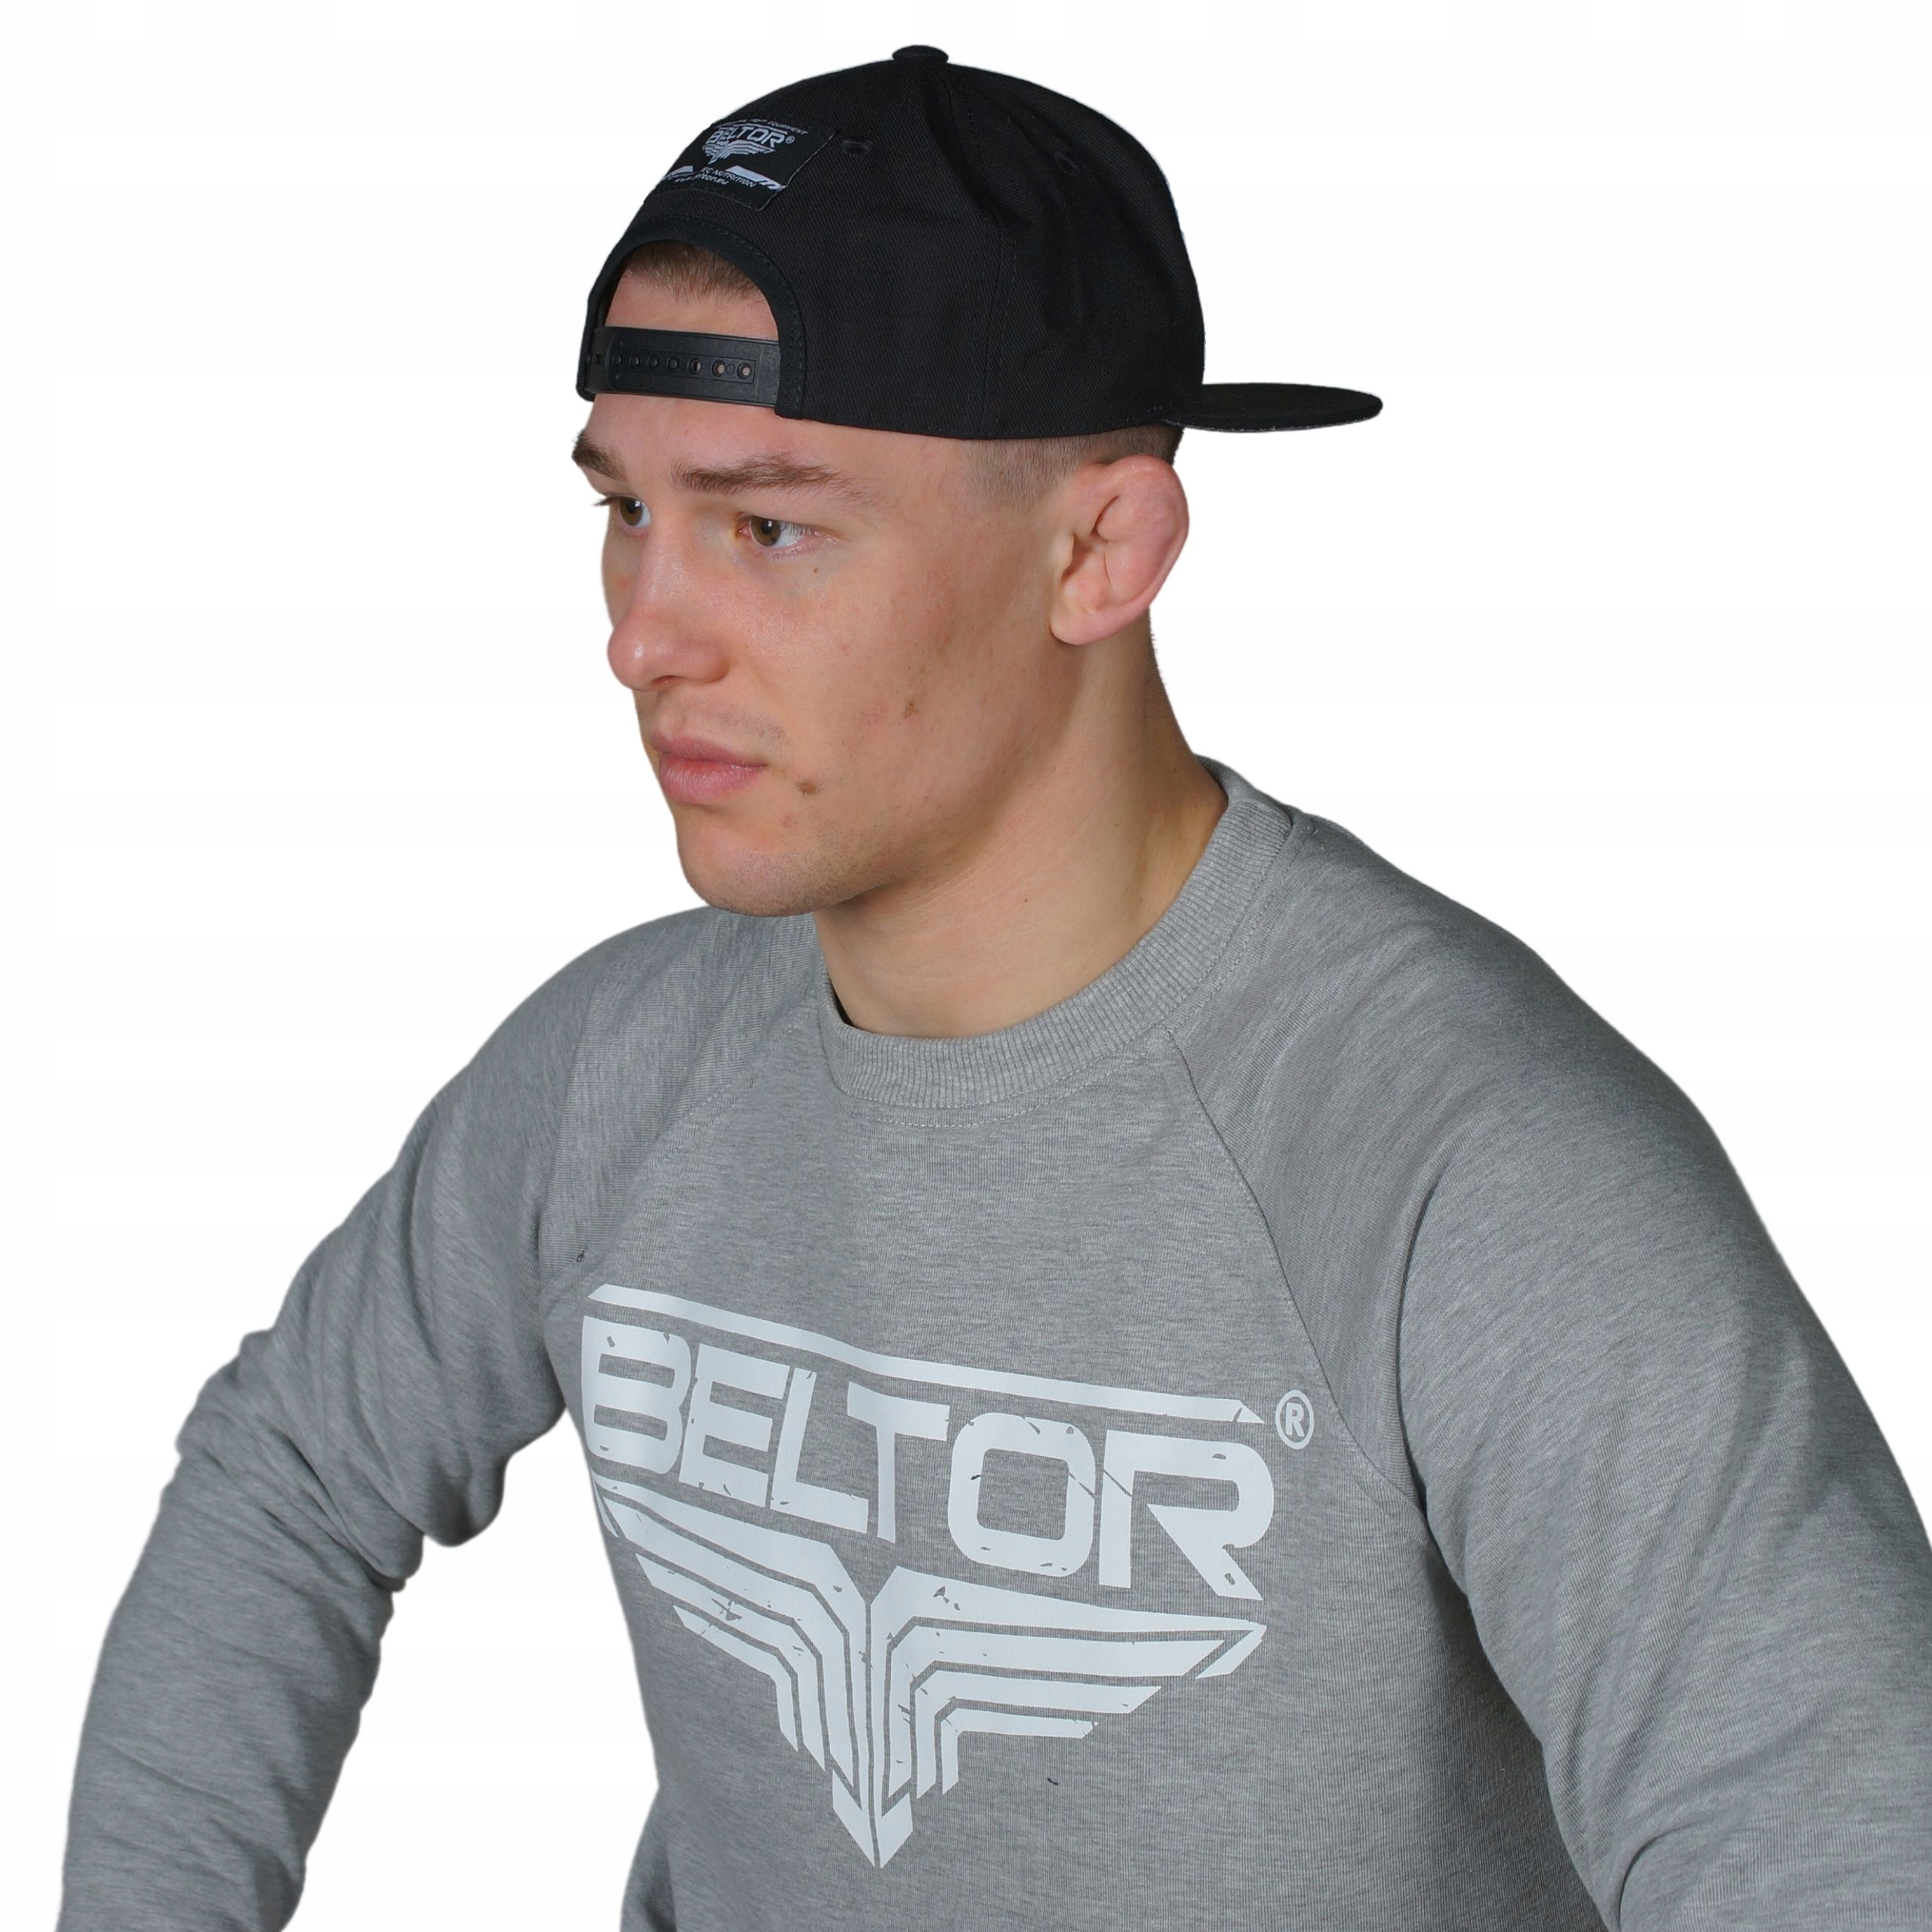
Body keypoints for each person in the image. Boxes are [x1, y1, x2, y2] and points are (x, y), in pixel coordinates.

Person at [57, 45, 1930, 1932]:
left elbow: (1831, 1836)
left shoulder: (1469, 1163)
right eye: (625, 511)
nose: (642, 636)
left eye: (767, 526)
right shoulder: (614, 1073)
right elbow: (286, 1483)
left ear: (1098, 549)